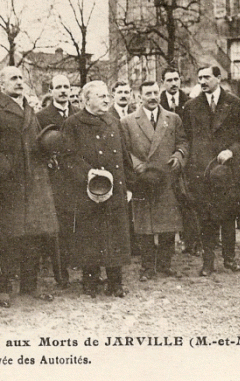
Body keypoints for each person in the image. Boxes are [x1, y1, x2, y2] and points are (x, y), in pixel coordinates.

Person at [0, 66, 58, 308]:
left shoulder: (29, 109)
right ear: (1, 84)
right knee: (5, 237)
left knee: (31, 236)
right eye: (13, 78)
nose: (19, 82)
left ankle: (29, 285)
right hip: (5, 185)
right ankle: (2, 288)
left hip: (31, 182)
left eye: (21, 78)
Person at [61, 80, 133, 297]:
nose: (106, 99)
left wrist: (129, 185)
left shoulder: (113, 121)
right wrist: (87, 174)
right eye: (100, 96)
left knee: (115, 238)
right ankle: (90, 282)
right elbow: (68, 157)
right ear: (86, 99)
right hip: (89, 191)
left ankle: (115, 283)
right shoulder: (73, 123)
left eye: (106, 96)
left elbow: (124, 155)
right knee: (90, 238)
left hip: (115, 190)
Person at [182, 65, 240, 276]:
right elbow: (187, 138)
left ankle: (229, 259)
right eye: (199, 78)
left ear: (219, 78)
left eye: (207, 77)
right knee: (205, 217)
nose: (202, 81)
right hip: (201, 171)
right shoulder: (191, 107)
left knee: (228, 215)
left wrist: (232, 151)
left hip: (228, 170)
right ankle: (208, 261)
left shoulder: (235, 104)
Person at [121, 81, 188, 280]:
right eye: (147, 93)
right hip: (144, 180)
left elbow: (183, 141)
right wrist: (137, 166)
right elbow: (124, 149)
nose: (152, 97)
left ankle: (165, 264)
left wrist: (178, 156)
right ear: (139, 96)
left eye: (155, 92)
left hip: (166, 178)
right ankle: (147, 267)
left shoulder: (173, 119)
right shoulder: (128, 121)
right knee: (145, 227)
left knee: (168, 225)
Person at [36, 74, 81, 288]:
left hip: (78, 177)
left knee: (79, 225)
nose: (63, 91)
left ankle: (82, 269)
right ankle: (61, 275)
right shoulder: (42, 116)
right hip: (56, 179)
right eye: (59, 87)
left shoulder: (78, 114)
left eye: (66, 87)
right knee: (59, 228)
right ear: (51, 91)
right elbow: (37, 146)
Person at [158, 67, 201, 256]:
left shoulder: (190, 104)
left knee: (189, 201)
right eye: (169, 80)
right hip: (165, 161)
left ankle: (192, 242)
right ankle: (167, 245)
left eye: (176, 79)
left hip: (186, 159)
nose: (173, 83)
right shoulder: (157, 103)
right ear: (163, 83)